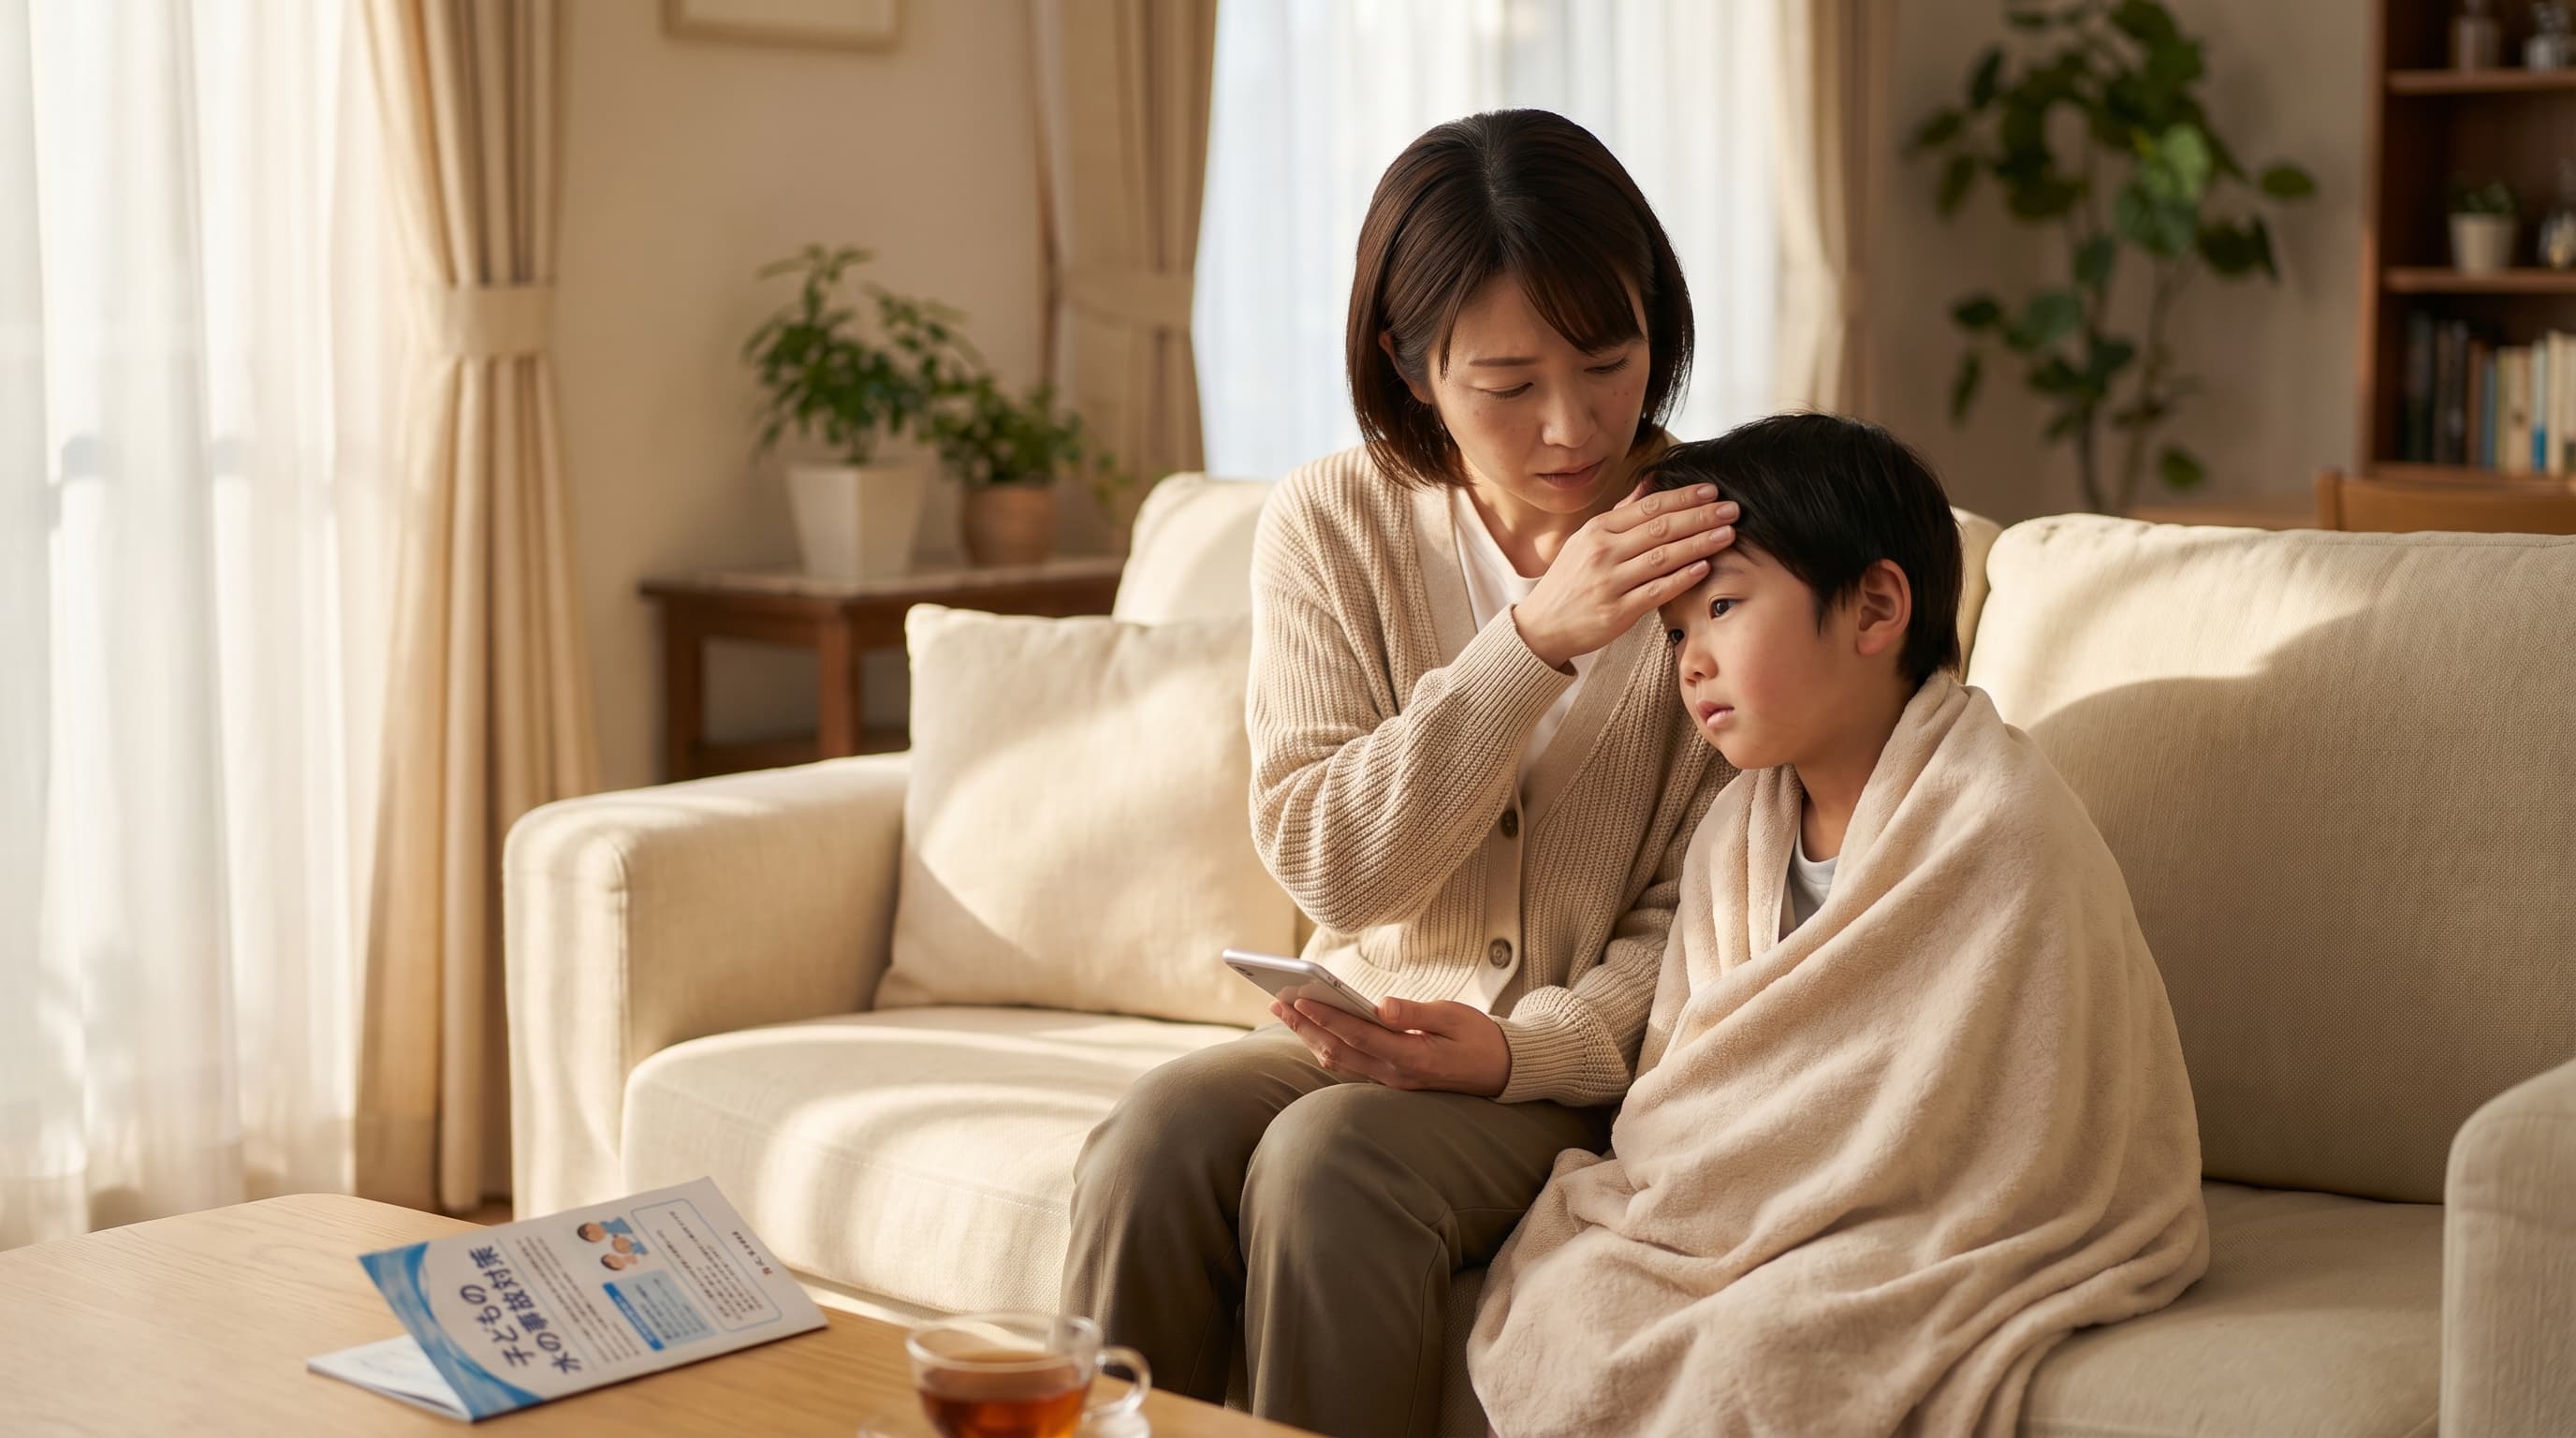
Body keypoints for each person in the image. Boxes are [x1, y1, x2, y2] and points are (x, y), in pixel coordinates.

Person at [1059, 110, 1736, 1438]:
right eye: (1507, 382)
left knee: (1330, 1168)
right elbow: (1326, 858)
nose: (1572, 425)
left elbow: (1717, 910)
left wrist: (1513, 1051)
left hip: (1581, 1066)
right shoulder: (1332, 520)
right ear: (1409, 362)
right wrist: (1530, 643)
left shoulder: (1723, 538)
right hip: (1364, 1018)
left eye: (1610, 361)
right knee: (1152, 1143)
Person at [1469, 415, 2209, 1436]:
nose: (1690, 664)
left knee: (1756, 1352)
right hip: (1747, 1205)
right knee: (1572, 1297)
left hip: (1922, 1214)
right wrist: (1705, 1182)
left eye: (1722, 607)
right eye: (1677, 632)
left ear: (1874, 608)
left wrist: (1790, 1194)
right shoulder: (1735, 831)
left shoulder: (1991, 818)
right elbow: (1686, 1076)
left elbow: (2004, 1112)